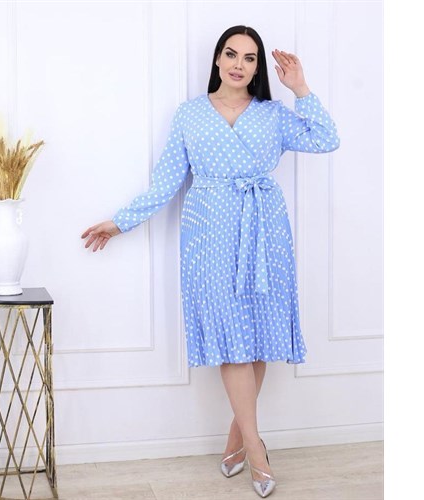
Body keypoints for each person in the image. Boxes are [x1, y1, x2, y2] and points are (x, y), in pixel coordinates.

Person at [81, 25, 339, 498]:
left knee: (256, 341)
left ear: (258, 68)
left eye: (250, 58)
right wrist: (119, 222)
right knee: (231, 340)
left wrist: (300, 87)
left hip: (265, 231)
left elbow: (327, 139)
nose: (239, 64)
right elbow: (165, 182)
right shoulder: (190, 115)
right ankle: (257, 449)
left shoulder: (273, 114)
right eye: (231, 54)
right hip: (209, 235)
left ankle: (237, 438)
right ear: (218, 59)